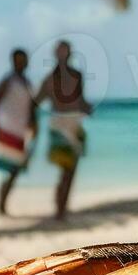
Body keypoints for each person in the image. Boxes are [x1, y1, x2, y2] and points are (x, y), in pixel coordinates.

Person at [36, 41, 92, 220]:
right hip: (59, 126)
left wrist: (87, 109)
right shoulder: (50, 79)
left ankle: (61, 208)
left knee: (70, 170)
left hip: (74, 124)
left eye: (64, 52)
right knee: (66, 170)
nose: (62, 55)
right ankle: (60, 209)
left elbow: (80, 100)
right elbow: (36, 100)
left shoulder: (76, 76)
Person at [0, 48, 37, 216]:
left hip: (20, 131)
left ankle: (2, 205)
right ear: (13, 61)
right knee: (9, 170)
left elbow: (32, 107)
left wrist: (33, 124)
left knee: (15, 169)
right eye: (19, 60)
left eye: (24, 59)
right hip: (7, 129)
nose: (22, 63)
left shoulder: (26, 82)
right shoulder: (9, 80)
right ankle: (1, 206)